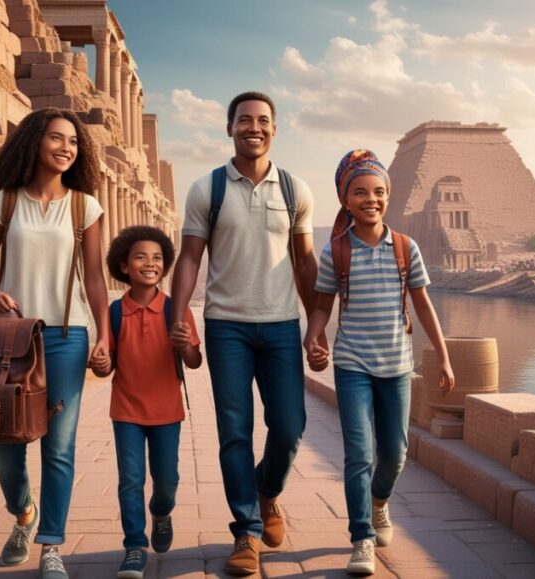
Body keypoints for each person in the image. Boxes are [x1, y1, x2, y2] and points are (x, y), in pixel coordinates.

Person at [169, 91, 319, 575]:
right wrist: (179, 316)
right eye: (244, 120)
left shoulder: (296, 190)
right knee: (234, 433)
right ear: (229, 127)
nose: (253, 127)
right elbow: (190, 257)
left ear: (275, 129)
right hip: (226, 327)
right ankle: (247, 532)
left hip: (280, 325)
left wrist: (317, 323)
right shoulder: (207, 189)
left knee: (290, 427)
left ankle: (267, 493)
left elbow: (305, 262)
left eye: (263, 121)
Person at [0, 107, 110, 579]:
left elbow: (94, 277)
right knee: (5, 442)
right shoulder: (4, 203)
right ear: (34, 142)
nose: (66, 147)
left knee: (60, 444)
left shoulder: (84, 206)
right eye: (56, 138)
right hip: (12, 339)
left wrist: (103, 335)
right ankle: (23, 513)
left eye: (72, 141)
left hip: (68, 338)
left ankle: (51, 544)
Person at [303, 149, 455, 575]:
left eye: (379, 191)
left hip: (396, 365)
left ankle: (379, 500)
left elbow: (424, 307)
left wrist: (442, 358)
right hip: (352, 363)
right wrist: (313, 334)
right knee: (358, 453)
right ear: (345, 199)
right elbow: (322, 305)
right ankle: (362, 538)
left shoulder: (406, 248)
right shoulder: (336, 252)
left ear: (388, 196)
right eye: (360, 192)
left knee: (395, 454)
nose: (371, 199)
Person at [89, 225, 203, 579]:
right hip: (126, 410)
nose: (149, 263)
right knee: (130, 478)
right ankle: (135, 546)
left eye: (157, 258)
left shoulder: (177, 308)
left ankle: (162, 511)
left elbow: (195, 361)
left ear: (165, 267)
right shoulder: (113, 312)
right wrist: (101, 362)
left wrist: (183, 342)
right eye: (140, 257)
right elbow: (106, 364)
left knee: (167, 479)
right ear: (124, 266)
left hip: (167, 410)